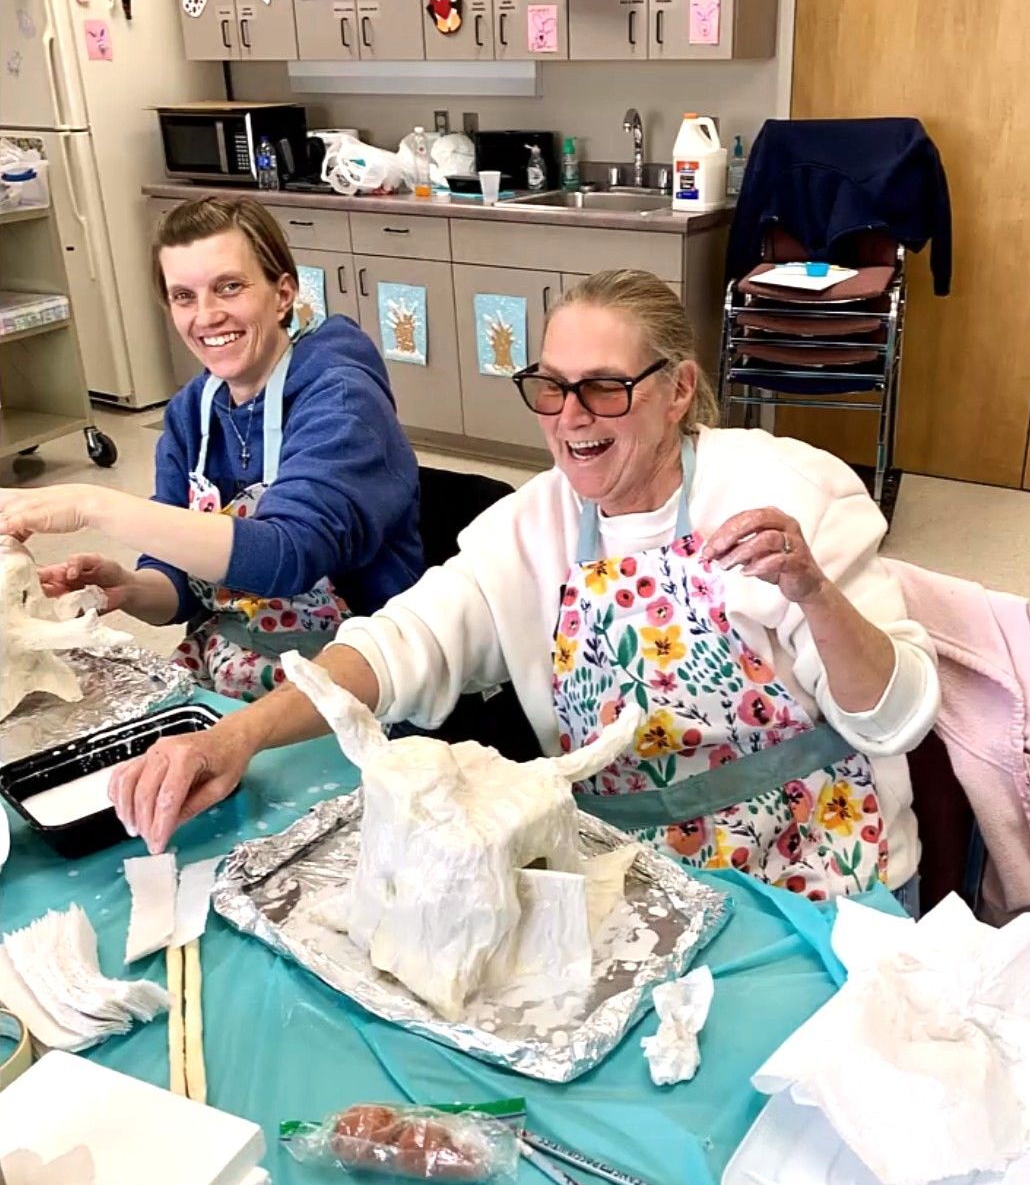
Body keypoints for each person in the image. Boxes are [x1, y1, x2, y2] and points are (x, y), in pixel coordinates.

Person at [103, 269, 939, 908]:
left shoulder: (789, 491)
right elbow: (397, 644)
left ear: (678, 389)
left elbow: (894, 717)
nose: (570, 416)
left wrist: (815, 595)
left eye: (604, 387)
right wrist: (235, 739)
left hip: (822, 868)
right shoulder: (528, 528)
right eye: (550, 387)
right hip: (632, 879)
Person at [0, 196, 422, 701]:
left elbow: (286, 557)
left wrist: (96, 504)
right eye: (184, 296)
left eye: (230, 286)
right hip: (234, 674)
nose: (207, 316)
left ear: (283, 292)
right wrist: (131, 589)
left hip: (357, 681)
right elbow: (180, 587)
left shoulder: (342, 398)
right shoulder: (191, 413)